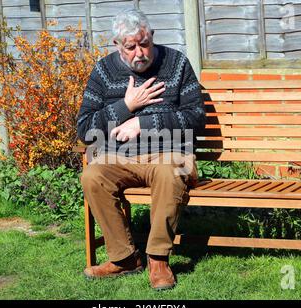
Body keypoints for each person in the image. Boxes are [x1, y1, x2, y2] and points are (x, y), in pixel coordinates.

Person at [77, 8, 205, 290]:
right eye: (131, 47)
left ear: (152, 36)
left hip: (172, 154)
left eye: (144, 43)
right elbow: (85, 129)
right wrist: (126, 106)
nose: (139, 53)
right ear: (117, 46)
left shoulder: (177, 64)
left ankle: (157, 259)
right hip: (119, 158)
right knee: (91, 176)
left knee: (169, 172)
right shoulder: (104, 71)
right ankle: (124, 258)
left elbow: (196, 118)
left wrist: (143, 122)